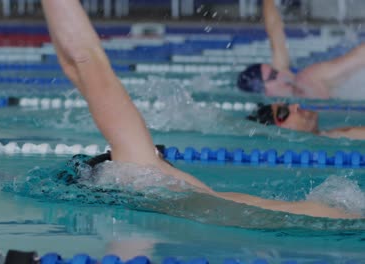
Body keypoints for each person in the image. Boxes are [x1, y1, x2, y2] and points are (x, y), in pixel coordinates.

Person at [41, 0, 359, 219]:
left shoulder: (164, 194)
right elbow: (85, 60)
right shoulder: (138, 165)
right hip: (334, 216)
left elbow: (76, 67)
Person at [237, 0, 365, 99]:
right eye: (274, 74)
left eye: (275, 70)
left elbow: (274, 29)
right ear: (265, 92)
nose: (281, 72)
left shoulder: (309, 79)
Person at [247, 103, 365, 140]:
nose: (296, 105)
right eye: (283, 112)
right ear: (279, 131)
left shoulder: (333, 134)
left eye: (288, 105)